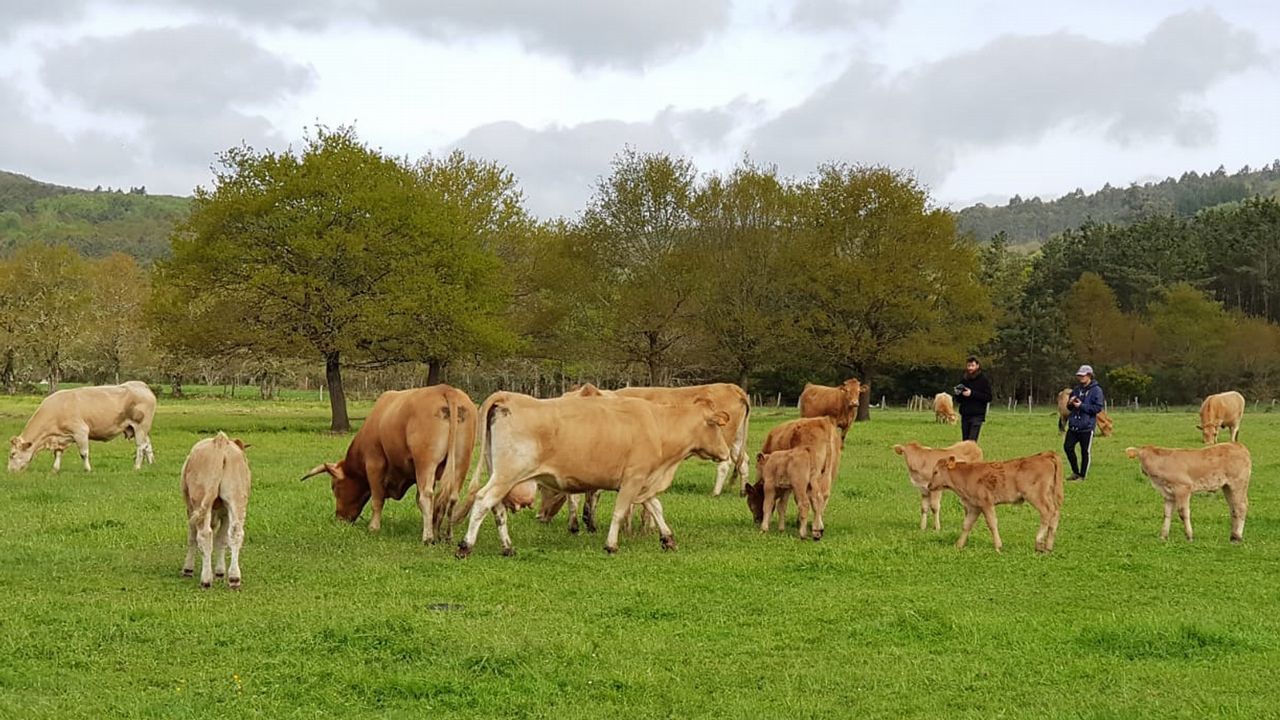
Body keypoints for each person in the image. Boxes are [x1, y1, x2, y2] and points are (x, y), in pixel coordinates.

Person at [1064, 364, 1105, 481]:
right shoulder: (1076, 390)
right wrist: (1070, 403)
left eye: (1082, 376)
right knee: (1068, 447)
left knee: (1084, 452)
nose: (1080, 378)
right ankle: (1075, 472)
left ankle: (1082, 475)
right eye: (1079, 376)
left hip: (1086, 427)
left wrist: (1082, 406)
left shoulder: (1097, 391)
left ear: (1089, 376)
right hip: (1073, 426)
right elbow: (1069, 408)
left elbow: (1097, 408)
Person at [953, 356, 993, 442]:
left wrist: (972, 393)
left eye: (972, 365)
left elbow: (988, 397)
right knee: (965, 441)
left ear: (977, 366)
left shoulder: (983, 380)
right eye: (968, 366)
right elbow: (959, 400)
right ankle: (965, 456)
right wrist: (958, 394)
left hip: (977, 415)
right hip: (965, 414)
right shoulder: (964, 380)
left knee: (971, 441)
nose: (970, 368)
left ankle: (973, 455)